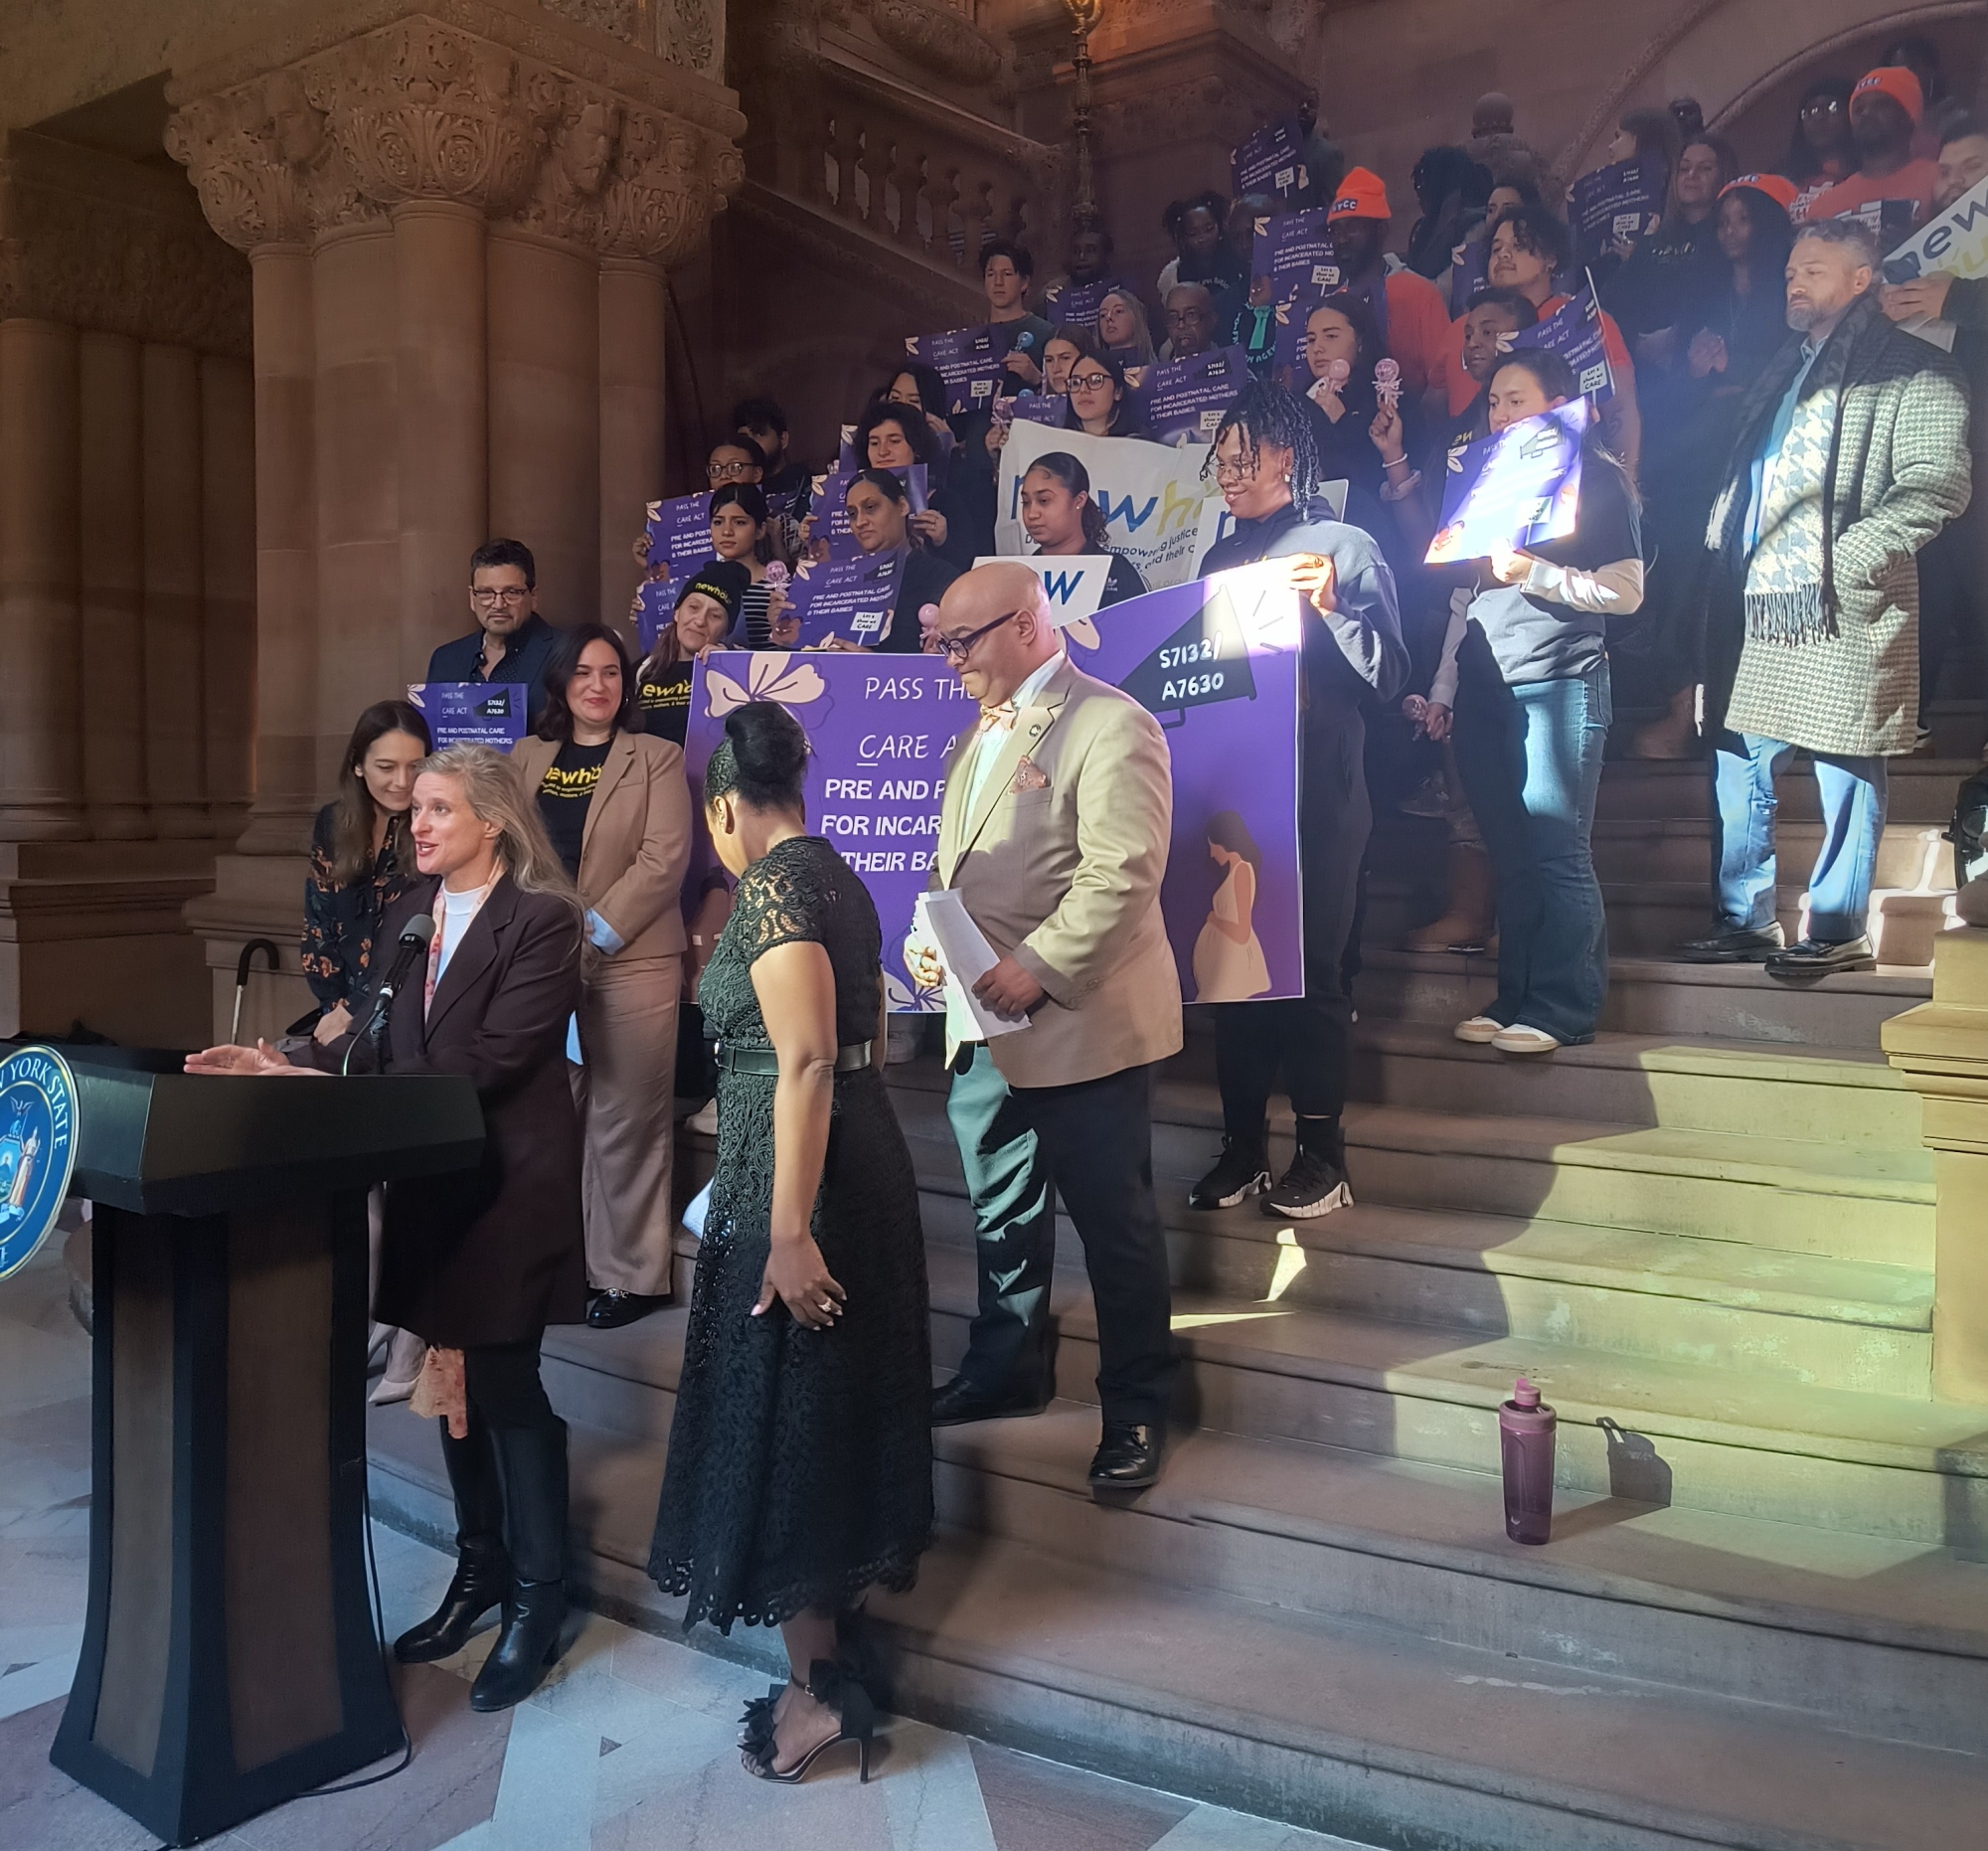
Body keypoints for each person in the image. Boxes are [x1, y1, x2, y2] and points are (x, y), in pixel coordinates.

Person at [188, 744, 587, 1713]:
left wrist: (340, 1085)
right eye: (416, 809)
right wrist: (286, 1064)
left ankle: (539, 1596)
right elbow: (366, 1037)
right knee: (452, 1386)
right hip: (426, 1182)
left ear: (493, 820)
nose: (418, 822)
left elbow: (490, 1061)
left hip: (506, 1184)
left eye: (439, 807)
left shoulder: (542, 920)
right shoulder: (409, 911)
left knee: (506, 1382)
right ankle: (480, 1569)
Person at [648, 701, 932, 1781]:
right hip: (850, 1157)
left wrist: (786, 1232)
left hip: (802, 1179)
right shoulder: (838, 874)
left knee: (788, 1421)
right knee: (828, 1408)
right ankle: (835, 1654)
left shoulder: (772, 886)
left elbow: (805, 1061)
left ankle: (817, 1696)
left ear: (725, 806)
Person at [911, 562, 1182, 1491]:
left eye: (961, 642)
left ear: (1026, 625)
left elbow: (1123, 872)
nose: (949, 660)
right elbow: (952, 871)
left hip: (1079, 1018)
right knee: (1001, 1212)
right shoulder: (972, 736)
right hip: (986, 1024)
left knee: (1115, 1226)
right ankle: (1006, 1368)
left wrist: (1037, 968)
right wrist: (927, 940)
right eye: (943, 642)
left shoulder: (1111, 722)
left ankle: (1137, 1405)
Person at [1679, 217, 1970, 978]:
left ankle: (1838, 926)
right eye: (1789, 272)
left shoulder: (1915, 366)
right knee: (1738, 757)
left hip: (1843, 600)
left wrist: (1855, 555)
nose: (1794, 282)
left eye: (1813, 269)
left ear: (1861, 279)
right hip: (1757, 596)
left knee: (1846, 761)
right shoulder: (1780, 371)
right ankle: (1745, 920)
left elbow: (1938, 482)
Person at [1188, 383, 1407, 1217]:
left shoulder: (1343, 544)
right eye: (1221, 460)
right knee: (1232, 966)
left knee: (1313, 969)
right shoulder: (1216, 560)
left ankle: (1323, 1155)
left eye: (1244, 457)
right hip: (1234, 786)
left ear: (1288, 455)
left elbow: (1391, 672)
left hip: (1320, 785)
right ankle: (1242, 1148)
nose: (1229, 473)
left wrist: (1331, 607)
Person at [1437, 350, 1643, 1054]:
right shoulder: (1486, 489)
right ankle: (1515, 997)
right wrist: (1444, 686)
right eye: (1494, 402)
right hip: (1485, 688)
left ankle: (1565, 1006)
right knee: (1512, 853)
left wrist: (1537, 573)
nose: (1501, 414)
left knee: (1556, 850)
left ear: (1559, 404)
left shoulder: (1596, 478)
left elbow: (1626, 591)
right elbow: (1465, 600)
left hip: (1559, 679)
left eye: (1516, 399)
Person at [515, 623, 692, 1331]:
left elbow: (663, 859)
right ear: (561, 682)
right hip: (539, 962)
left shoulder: (656, 757)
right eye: (584, 672)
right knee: (552, 1114)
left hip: (632, 959)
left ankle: (629, 1276)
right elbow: (510, 851)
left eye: (612, 672)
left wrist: (587, 935)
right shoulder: (526, 756)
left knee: (626, 1117)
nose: (599, 685)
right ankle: (565, 1265)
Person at [1631, 173, 1799, 759]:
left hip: (1760, 453)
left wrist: (1736, 369)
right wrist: (1698, 371)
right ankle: (1685, 709)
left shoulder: (1787, 292)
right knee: (1680, 570)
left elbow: (1800, 369)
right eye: (1723, 221)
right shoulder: (1705, 291)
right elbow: (1676, 389)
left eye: (1743, 219)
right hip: (1697, 461)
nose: (1729, 231)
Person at [1883, 119, 1988, 729]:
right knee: (1927, 581)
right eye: (1945, 172)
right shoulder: (1919, 253)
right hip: (1934, 448)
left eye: (1971, 169)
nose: (1954, 183)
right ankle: (1906, 721)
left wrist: (1958, 299)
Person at [1441, 205, 1643, 476]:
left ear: (1551, 258)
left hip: (1576, 481)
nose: (1503, 255)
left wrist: (1625, 484)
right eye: (1496, 249)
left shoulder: (1584, 318)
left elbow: (1620, 407)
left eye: (1519, 245)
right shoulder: (1464, 332)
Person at [302, 700, 435, 1038]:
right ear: (358, 765)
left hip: (413, 1014)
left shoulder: (435, 829)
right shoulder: (332, 821)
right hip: (338, 1015)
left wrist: (356, 1008)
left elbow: (429, 939)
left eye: (416, 766)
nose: (402, 781)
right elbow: (319, 924)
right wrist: (335, 1008)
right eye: (386, 767)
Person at [1325, 167, 1453, 399]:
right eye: (1334, 231)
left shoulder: (1420, 293)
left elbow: (1443, 383)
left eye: (1353, 228)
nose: (1341, 239)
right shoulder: (1332, 307)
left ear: (1381, 231)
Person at [426, 538, 560, 729]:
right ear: (472, 598)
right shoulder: (445, 659)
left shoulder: (566, 652)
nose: (498, 605)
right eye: (486, 593)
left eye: (511, 592)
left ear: (533, 597)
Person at [839, 466, 964, 651]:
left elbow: (957, 660)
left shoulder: (941, 578)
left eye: (870, 507)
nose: (860, 522)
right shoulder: (840, 584)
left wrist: (872, 664)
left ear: (903, 506)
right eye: (852, 514)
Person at [853, 400, 989, 565]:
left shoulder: (946, 502)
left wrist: (942, 541)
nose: (882, 452)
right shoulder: (849, 503)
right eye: (874, 443)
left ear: (916, 448)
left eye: (894, 441)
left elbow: (969, 567)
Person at [1801, 67, 1940, 228]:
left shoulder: (1943, 179)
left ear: (1909, 117)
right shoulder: (1821, 209)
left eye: (1881, 105)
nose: (1866, 113)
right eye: (1858, 109)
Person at [636, 562, 748, 745]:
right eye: (694, 607)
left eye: (715, 615)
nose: (700, 620)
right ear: (677, 613)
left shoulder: (743, 670)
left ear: (726, 631)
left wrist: (728, 667)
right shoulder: (642, 671)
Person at [1018, 450, 1149, 604]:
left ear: (1079, 500)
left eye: (1044, 500)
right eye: (1026, 502)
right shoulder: (1019, 576)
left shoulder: (1116, 571)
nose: (1032, 514)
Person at [1296, 291, 1390, 502]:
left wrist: (1343, 421)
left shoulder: (1386, 399)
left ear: (1360, 341)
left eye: (1331, 336)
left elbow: (1378, 476)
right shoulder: (1297, 401)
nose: (1317, 348)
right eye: (1311, 340)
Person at [1193, 811, 1272, 1000]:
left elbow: (1242, 932)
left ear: (1225, 842)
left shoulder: (1242, 871)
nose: (1212, 854)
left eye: (1213, 847)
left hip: (1233, 965)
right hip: (1226, 966)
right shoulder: (1234, 871)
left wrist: (1213, 919)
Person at [1405, 146, 1494, 280]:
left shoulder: (1476, 226)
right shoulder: (1423, 229)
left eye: (1422, 186)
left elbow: (1453, 282)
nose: (1419, 194)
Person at [1780, 77, 1857, 219]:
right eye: (1810, 111)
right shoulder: (1787, 185)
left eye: (1831, 108)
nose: (1819, 117)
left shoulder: (1874, 172)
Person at [982, 241, 1056, 389]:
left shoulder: (1047, 334)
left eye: (1007, 274)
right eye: (991, 274)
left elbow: (1066, 393)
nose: (998, 282)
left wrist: (1037, 378)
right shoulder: (972, 339)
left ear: (1024, 283)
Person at [1158, 190, 1245, 309]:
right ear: (1183, 237)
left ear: (1219, 227)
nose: (1202, 238)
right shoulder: (1172, 275)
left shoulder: (1239, 259)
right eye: (1193, 233)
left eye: (1209, 229)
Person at [734, 396, 810, 509]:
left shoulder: (808, 483)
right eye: (744, 437)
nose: (750, 443)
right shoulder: (734, 490)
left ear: (783, 439)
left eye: (759, 434)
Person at [1067, 346, 1145, 438]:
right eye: (1075, 382)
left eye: (1095, 380)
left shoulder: (1138, 443)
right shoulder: (1058, 440)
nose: (1083, 389)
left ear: (1117, 392)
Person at [1097, 287, 1157, 370]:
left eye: (1118, 311)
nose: (1108, 318)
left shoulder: (1155, 370)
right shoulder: (1092, 369)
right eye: (1103, 315)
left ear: (1136, 318)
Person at [1162, 282, 1223, 361]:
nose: (1181, 325)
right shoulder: (1160, 365)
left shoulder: (1233, 364)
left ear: (1211, 321)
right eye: (1173, 317)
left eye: (1190, 315)